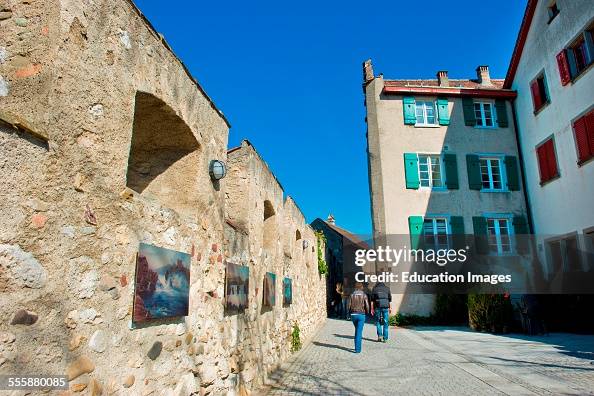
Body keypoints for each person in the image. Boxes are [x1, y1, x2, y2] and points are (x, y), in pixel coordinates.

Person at [348, 282, 369, 353]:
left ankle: (356, 347)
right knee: (359, 332)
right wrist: (367, 312)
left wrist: (348, 314)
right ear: (361, 287)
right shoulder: (364, 295)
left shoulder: (352, 295)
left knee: (357, 330)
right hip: (361, 315)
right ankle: (358, 349)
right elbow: (367, 305)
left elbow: (348, 306)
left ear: (355, 287)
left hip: (353, 315)